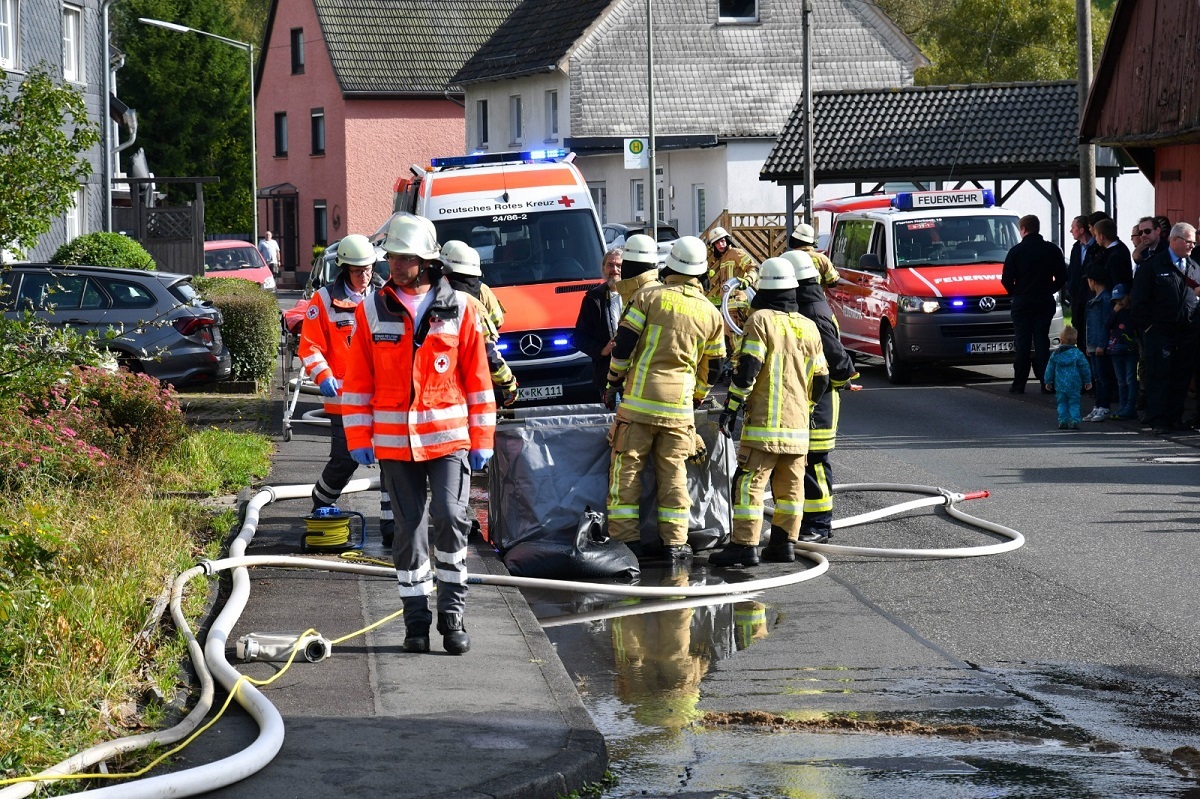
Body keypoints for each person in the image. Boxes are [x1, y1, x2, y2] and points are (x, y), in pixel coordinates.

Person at [341, 215, 495, 655]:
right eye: (390, 255)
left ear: (425, 261)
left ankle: (452, 613)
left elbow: (478, 382)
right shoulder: (373, 309)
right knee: (408, 531)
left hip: (448, 441)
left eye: (401, 257)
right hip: (394, 444)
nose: (392, 263)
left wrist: (482, 440)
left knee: (450, 517)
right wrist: (358, 436)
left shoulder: (462, 309)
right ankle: (415, 621)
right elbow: (358, 382)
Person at [604, 236, 725, 562]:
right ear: (701, 273)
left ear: (670, 264)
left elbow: (623, 347)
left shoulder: (647, 297)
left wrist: (613, 384)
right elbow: (713, 368)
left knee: (626, 475)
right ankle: (675, 544)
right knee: (674, 475)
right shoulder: (710, 313)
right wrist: (697, 397)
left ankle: (626, 548)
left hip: (639, 407)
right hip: (679, 412)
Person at [708, 258, 829, 568]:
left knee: (749, 484)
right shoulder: (808, 325)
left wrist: (731, 408)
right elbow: (822, 378)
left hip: (764, 427)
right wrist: (806, 409)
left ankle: (744, 546)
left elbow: (748, 368)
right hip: (799, 428)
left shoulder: (760, 320)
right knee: (791, 488)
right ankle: (783, 544)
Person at [298, 233, 394, 546]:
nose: (364, 275)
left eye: (368, 269)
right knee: (345, 458)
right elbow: (310, 346)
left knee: (391, 459)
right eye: (357, 270)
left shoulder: (387, 295)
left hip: (385, 397)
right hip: (344, 399)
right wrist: (322, 375)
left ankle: (392, 526)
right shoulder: (324, 301)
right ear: (344, 269)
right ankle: (321, 502)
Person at [782, 249, 858, 548]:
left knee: (814, 463)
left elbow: (839, 361)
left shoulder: (811, 313)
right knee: (808, 462)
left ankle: (819, 524)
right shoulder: (813, 305)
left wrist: (835, 384)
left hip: (819, 402)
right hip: (816, 398)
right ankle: (809, 521)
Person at [1131, 222, 1199, 434]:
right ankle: (1159, 420)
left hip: (1186, 333)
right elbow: (1139, 300)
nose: (1192, 246)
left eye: (1194, 242)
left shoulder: (1194, 267)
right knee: (1159, 376)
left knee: (1181, 377)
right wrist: (1149, 327)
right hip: (1160, 332)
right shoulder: (1154, 266)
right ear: (1175, 240)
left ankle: (1175, 418)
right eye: (1189, 241)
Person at [441, 239, 519, 408]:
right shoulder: (480, 292)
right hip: (471, 380)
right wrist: (508, 382)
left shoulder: (441, 294)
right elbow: (496, 324)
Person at [1001, 215, 1066, 394]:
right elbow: (1062, 276)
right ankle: (1047, 384)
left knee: (1022, 342)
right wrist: (1049, 289)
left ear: (1022, 229)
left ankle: (1019, 383)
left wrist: (1016, 294)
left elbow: (1006, 279)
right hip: (1044, 300)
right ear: (1037, 228)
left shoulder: (1016, 251)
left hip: (1022, 302)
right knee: (1042, 342)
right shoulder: (1052, 250)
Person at [573, 247, 625, 399]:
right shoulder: (593, 298)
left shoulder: (637, 295)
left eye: (619, 266)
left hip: (634, 373)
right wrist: (601, 350)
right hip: (607, 373)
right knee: (610, 419)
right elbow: (578, 337)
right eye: (610, 265)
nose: (614, 270)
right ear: (603, 268)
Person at [704, 226, 759, 355]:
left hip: (738, 303)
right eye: (717, 242)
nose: (721, 244)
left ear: (727, 240)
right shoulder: (723, 259)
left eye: (723, 240)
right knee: (729, 340)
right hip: (728, 306)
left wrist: (748, 280)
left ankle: (739, 367)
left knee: (738, 340)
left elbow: (753, 268)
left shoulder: (736, 253)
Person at [1043, 326, 1092, 430]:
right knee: (1074, 403)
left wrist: (1048, 381)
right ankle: (1075, 420)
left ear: (1061, 340)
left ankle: (1062, 420)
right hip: (1074, 384)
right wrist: (1087, 380)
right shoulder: (1077, 353)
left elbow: (1050, 368)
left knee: (1062, 403)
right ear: (1075, 341)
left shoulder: (1056, 354)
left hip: (1060, 384)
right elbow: (1085, 367)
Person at [1082, 274, 1114, 422]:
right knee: (1097, 376)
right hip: (1093, 343)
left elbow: (1105, 324)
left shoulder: (1105, 299)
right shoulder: (1094, 299)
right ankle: (1098, 405)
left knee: (1103, 376)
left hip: (1100, 343)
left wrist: (1101, 344)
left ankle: (1104, 406)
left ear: (1093, 281)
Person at [1106, 284, 1139, 421]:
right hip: (1116, 349)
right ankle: (1123, 405)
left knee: (1130, 378)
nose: (1119, 302)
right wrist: (1114, 311)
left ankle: (1130, 406)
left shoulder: (1133, 312)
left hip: (1130, 349)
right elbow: (1107, 325)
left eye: (1121, 299)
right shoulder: (1115, 311)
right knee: (1121, 380)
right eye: (1116, 300)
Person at [1065, 215, 1097, 354]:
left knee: (1091, 332)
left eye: (1073, 228)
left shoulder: (1096, 248)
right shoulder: (1076, 248)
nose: (1071, 231)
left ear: (1082, 230)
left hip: (1091, 297)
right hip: (1077, 299)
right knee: (1079, 332)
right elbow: (1072, 271)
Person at [1087, 218, 1133, 294]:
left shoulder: (1117, 254)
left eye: (1096, 236)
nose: (1095, 239)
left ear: (1101, 236)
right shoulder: (1113, 250)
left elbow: (1117, 281)